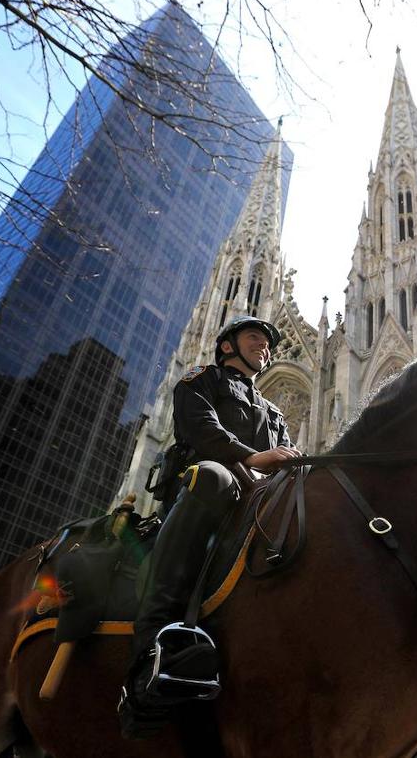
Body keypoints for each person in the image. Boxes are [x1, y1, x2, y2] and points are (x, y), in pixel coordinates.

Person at [120, 315, 300, 736]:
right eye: (255, 338)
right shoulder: (203, 380)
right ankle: (151, 644)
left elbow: (290, 457)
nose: (264, 346)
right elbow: (199, 429)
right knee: (213, 476)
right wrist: (252, 459)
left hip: (257, 505)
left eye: (268, 343)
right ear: (227, 346)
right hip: (202, 496)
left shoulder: (272, 412)